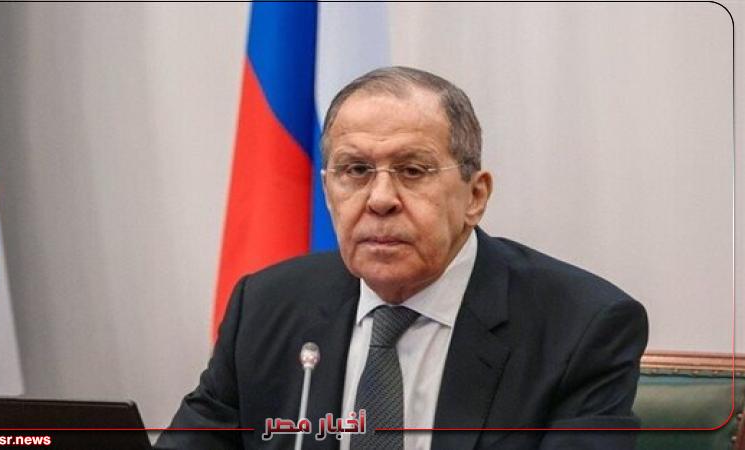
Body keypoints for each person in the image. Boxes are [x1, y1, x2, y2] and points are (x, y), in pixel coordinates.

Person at [155, 66, 648, 450]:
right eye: (355, 170)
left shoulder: (580, 326)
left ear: (475, 196)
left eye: (413, 170)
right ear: (328, 190)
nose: (380, 199)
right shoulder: (266, 307)